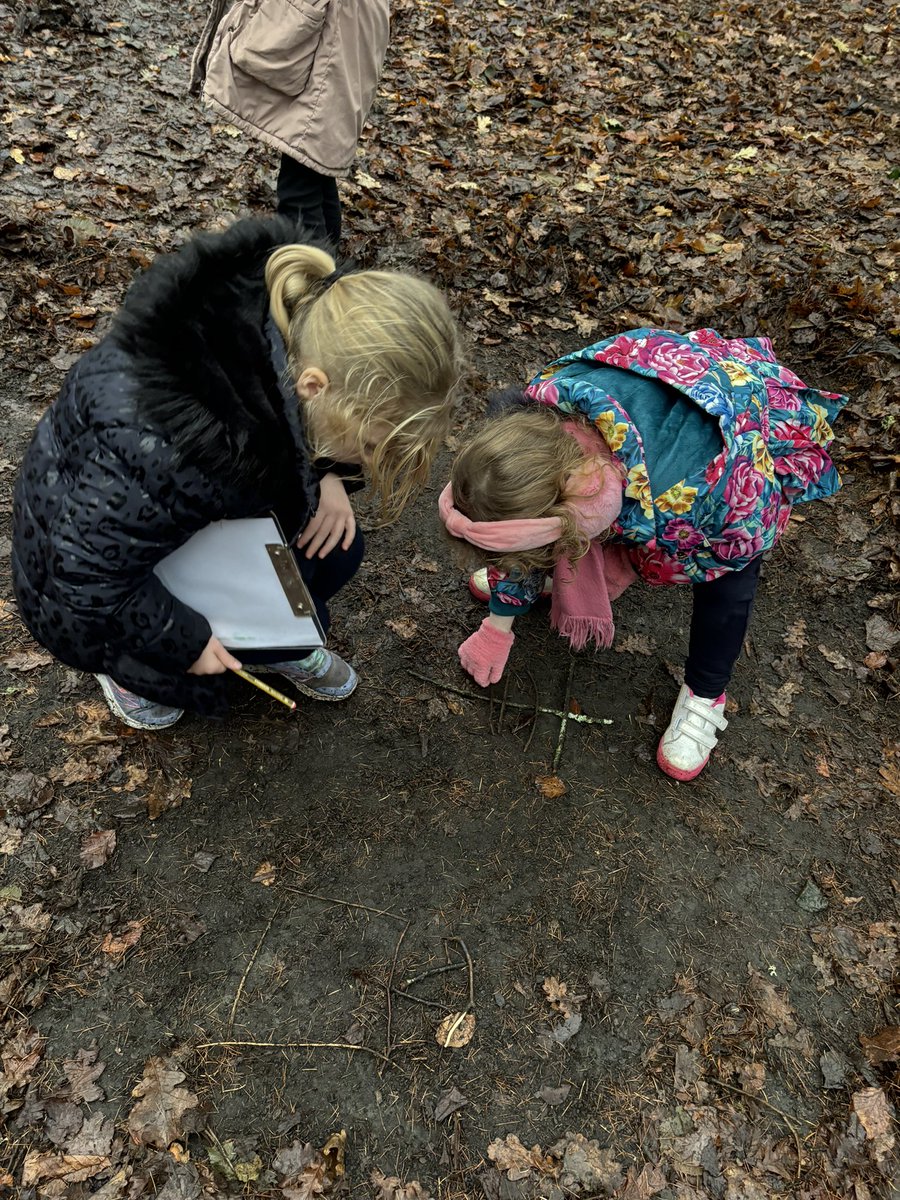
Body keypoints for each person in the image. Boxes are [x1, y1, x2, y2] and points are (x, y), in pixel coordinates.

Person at [12, 216, 461, 730]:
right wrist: (183, 638)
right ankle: (130, 674)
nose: (367, 460)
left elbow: (303, 432)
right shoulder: (167, 439)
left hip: (196, 520)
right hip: (86, 577)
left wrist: (329, 476)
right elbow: (85, 576)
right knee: (159, 645)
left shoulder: (301, 351)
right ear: (315, 387)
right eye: (368, 446)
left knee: (336, 549)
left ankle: (275, 642)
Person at [439, 327, 846, 781]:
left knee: (725, 592)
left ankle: (705, 693)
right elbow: (521, 523)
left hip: (730, 463)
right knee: (551, 533)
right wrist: (499, 623)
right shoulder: (539, 419)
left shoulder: (714, 497)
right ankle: (548, 568)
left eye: (540, 555)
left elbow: (722, 547)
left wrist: (633, 554)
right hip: (633, 448)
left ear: (586, 499)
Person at [190, 0, 390, 246]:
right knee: (313, 171)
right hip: (342, 33)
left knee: (299, 191)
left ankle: (312, 280)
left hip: (333, 41)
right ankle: (329, 270)